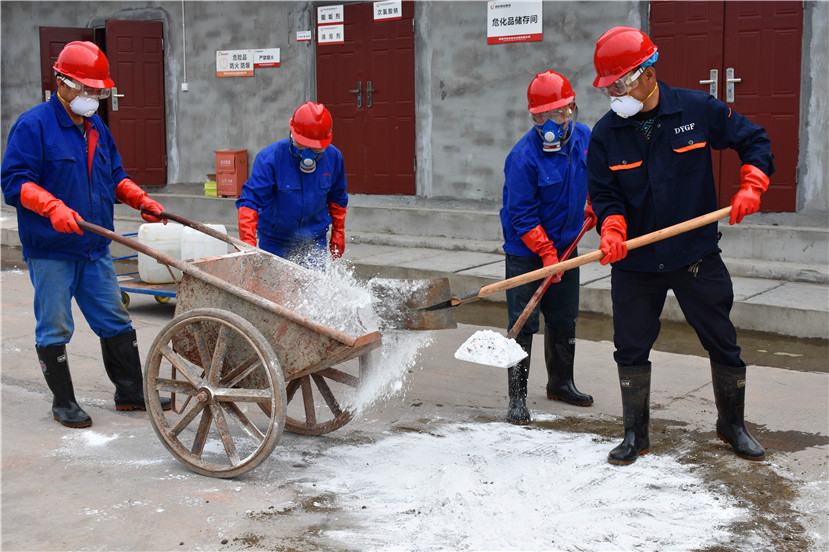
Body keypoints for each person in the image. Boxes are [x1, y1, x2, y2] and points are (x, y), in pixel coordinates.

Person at [586, 27, 774, 465]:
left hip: (694, 254)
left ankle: (732, 425)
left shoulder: (696, 109)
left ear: (648, 74)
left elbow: (753, 139)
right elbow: (605, 193)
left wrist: (752, 184)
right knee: (630, 347)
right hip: (637, 261)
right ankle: (636, 434)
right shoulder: (605, 133)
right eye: (608, 87)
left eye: (620, 84)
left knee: (722, 341)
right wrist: (612, 229)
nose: (614, 94)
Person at [1, 41, 171, 428]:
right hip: (52, 250)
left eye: (98, 91)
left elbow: (114, 176)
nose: (93, 98)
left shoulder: (96, 128)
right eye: (87, 89)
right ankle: (63, 403)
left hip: (94, 247)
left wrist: (139, 198)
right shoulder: (33, 126)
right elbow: (15, 182)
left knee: (115, 319)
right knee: (55, 325)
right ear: (62, 82)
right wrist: (52, 207)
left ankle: (130, 393)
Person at [499, 70, 597, 425]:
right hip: (527, 252)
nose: (560, 120)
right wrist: (545, 252)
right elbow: (522, 215)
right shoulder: (523, 157)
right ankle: (517, 398)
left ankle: (560, 384)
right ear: (535, 118)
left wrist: (596, 203)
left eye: (564, 110)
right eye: (550, 114)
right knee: (523, 323)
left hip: (567, 244)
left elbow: (598, 174)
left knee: (564, 316)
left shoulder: (584, 137)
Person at [236, 102, 348, 267]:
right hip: (275, 241)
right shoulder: (270, 159)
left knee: (313, 283)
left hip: (314, 241)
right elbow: (249, 201)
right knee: (275, 282)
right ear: (293, 134)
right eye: (303, 145)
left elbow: (337, 198)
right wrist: (248, 244)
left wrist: (338, 231)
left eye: (315, 149)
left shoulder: (334, 158)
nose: (308, 153)